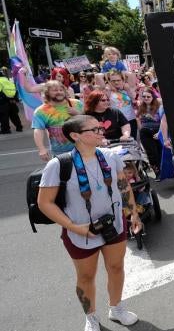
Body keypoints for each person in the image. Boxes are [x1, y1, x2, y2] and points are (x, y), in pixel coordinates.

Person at [37, 115, 142, 331]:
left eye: (100, 128)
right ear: (76, 136)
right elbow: (45, 203)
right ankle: (91, 316)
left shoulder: (110, 156)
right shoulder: (58, 165)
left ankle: (116, 308)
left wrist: (133, 213)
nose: (100, 132)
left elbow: (123, 186)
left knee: (116, 267)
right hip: (80, 230)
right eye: (94, 130)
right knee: (85, 276)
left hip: (114, 225)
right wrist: (74, 227)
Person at [32, 80, 83, 161]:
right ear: (47, 93)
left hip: (83, 148)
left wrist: (78, 114)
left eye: (61, 90)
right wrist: (41, 149)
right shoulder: (41, 111)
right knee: (65, 173)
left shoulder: (77, 104)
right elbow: (38, 130)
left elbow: (90, 121)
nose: (59, 92)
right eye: (55, 90)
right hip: (60, 152)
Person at [136, 88, 162, 175]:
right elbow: (138, 119)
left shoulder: (159, 105)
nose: (146, 98)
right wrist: (141, 130)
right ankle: (157, 172)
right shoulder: (141, 106)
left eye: (148, 96)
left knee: (160, 151)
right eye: (144, 96)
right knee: (151, 153)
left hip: (158, 131)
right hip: (145, 133)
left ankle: (165, 171)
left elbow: (163, 120)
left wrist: (160, 133)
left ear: (153, 97)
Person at [106, 70, 137, 138]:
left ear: (123, 80)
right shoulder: (108, 91)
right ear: (109, 81)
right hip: (117, 122)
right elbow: (98, 76)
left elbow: (131, 74)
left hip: (131, 120)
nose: (116, 82)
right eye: (113, 81)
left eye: (118, 80)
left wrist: (123, 72)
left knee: (133, 143)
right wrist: (107, 74)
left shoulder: (128, 89)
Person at [0, 66, 22, 133]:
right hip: (12, 99)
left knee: (3, 116)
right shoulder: (7, 79)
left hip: (3, 101)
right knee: (14, 115)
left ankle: (5, 129)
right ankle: (19, 127)